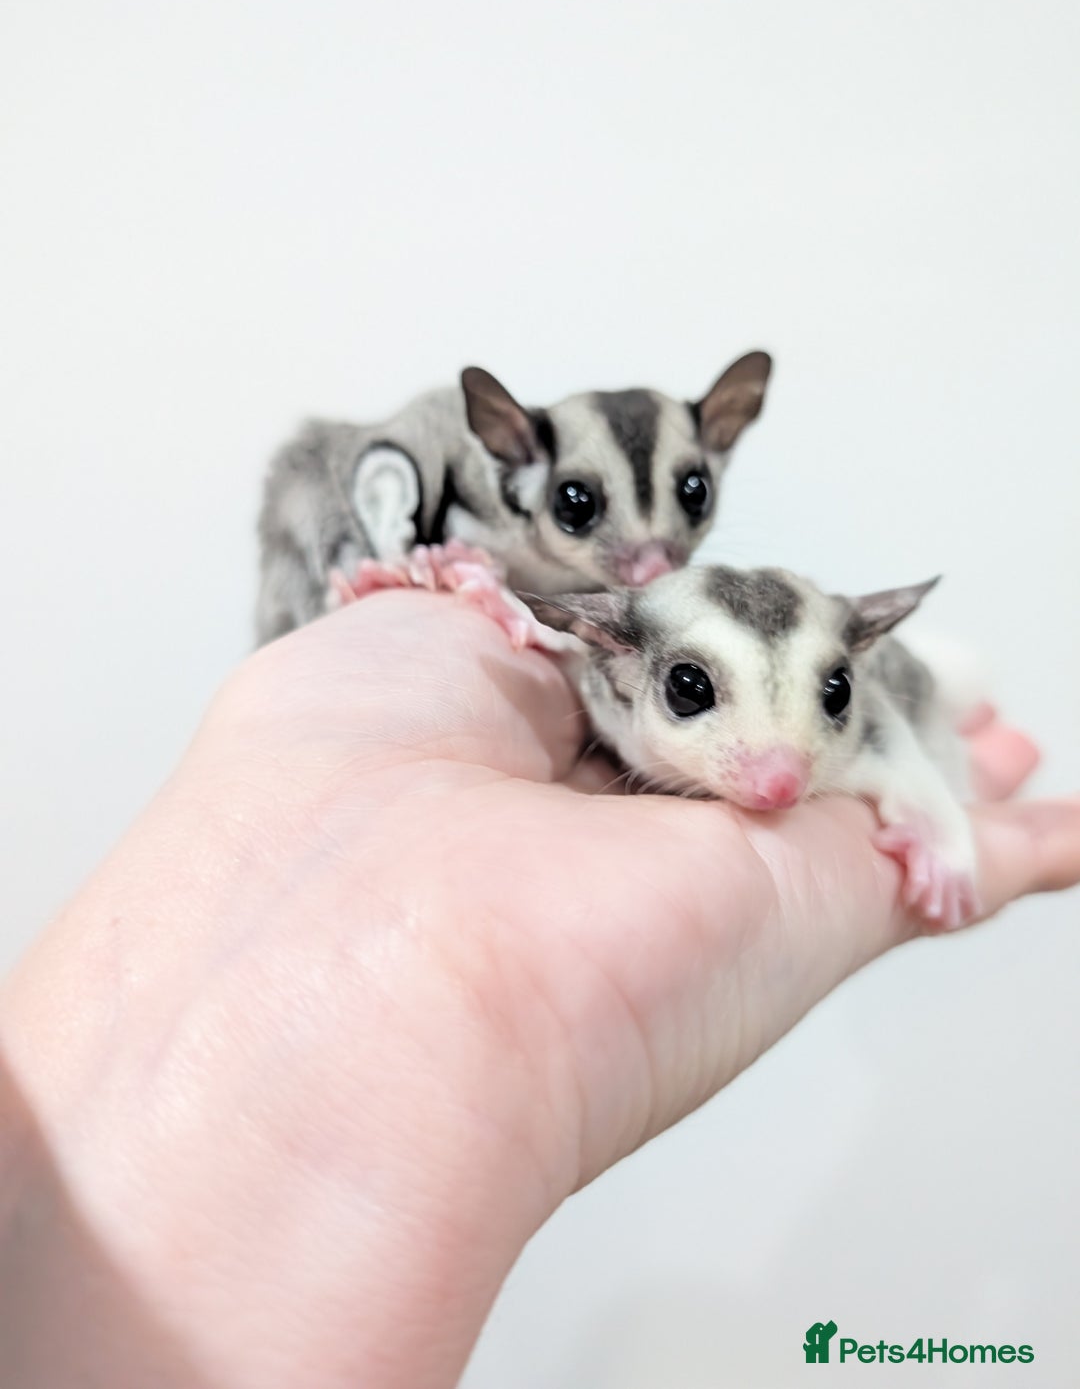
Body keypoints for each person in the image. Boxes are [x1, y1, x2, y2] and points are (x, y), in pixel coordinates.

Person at [1, 591, 1077, 1389]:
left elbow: (895, 753)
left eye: (824, 700)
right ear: (615, 664)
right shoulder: (595, 691)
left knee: (950, 685)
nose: (781, 774)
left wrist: (934, 828)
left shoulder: (842, 719)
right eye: (695, 695)